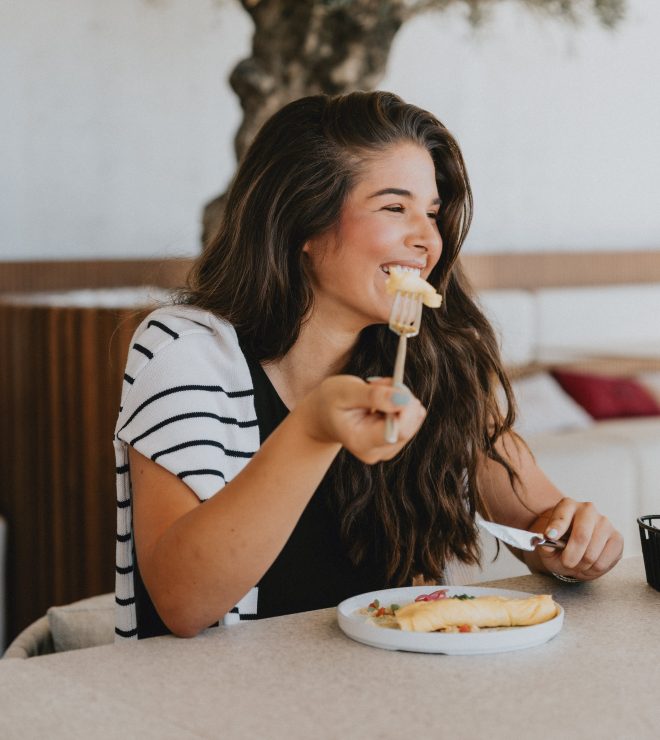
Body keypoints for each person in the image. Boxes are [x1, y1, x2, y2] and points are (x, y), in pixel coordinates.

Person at [113, 91, 623, 640]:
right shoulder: (185, 350)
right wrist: (314, 428)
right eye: (393, 207)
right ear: (303, 221)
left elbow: (541, 521)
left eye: (431, 212)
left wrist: (576, 546)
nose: (427, 239)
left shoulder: (436, 359)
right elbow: (182, 602)